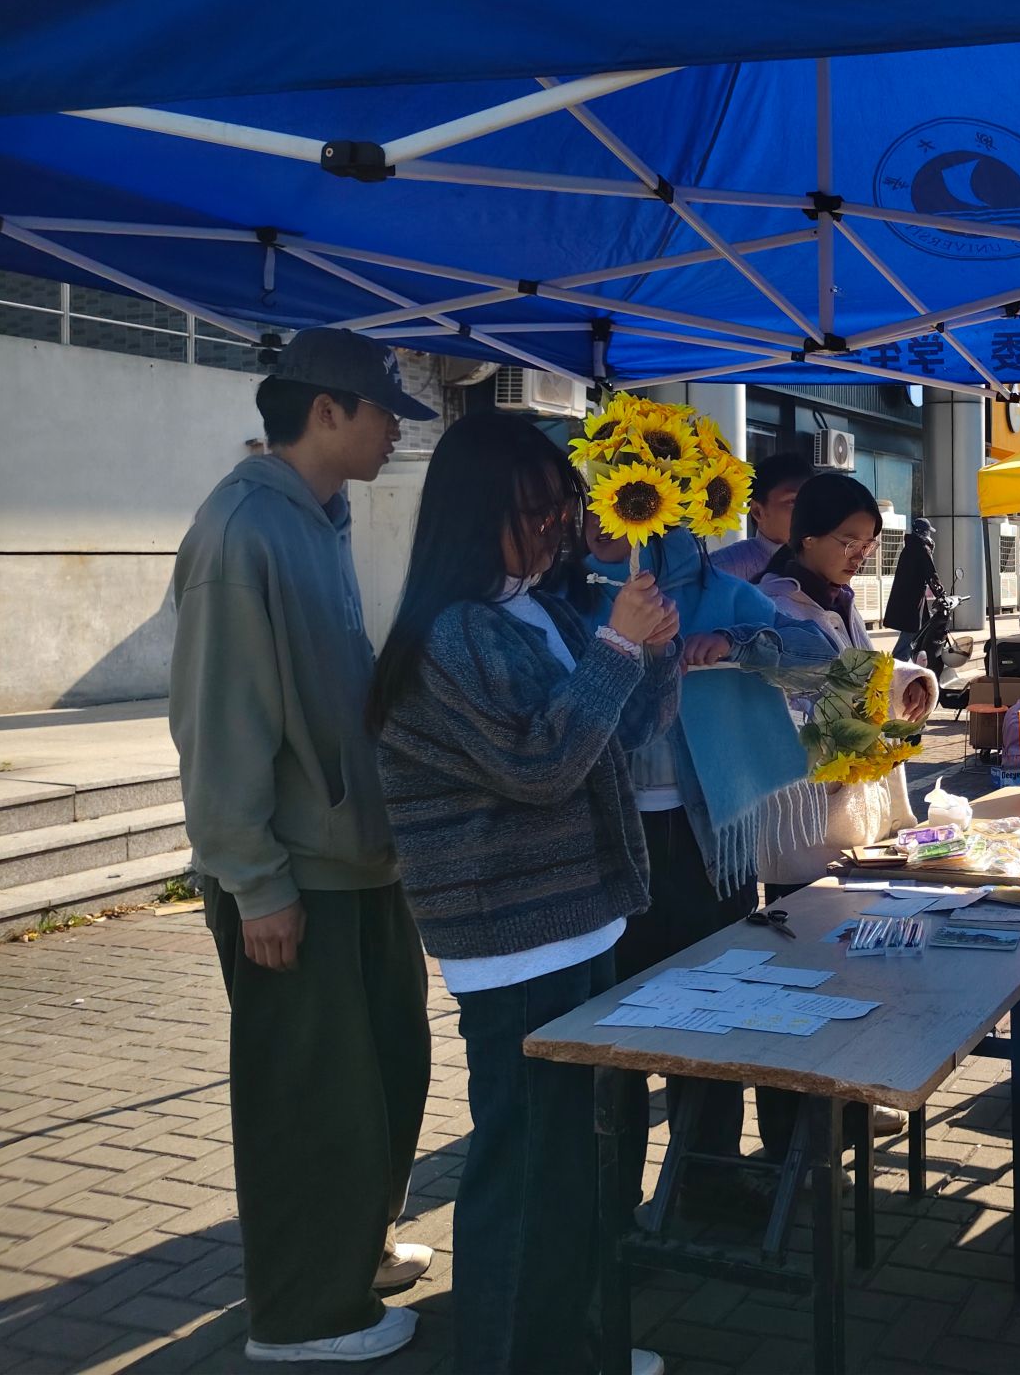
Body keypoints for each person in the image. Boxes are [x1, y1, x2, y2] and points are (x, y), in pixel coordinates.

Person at [369, 411, 681, 1375]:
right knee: (527, 1170)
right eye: (536, 514)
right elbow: (540, 765)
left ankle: (569, 1345)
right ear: (475, 514)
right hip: (512, 939)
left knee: (579, 1167)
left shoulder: (536, 610)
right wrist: (617, 650)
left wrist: (654, 648)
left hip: (580, 922)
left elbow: (618, 737)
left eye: (564, 510)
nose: (557, 532)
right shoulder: (452, 634)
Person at [169, 327, 436, 1365]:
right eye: (384, 414)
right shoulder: (241, 530)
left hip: (357, 859)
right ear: (328, 410)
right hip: (294, 876)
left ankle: (351, 1257)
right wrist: (255, 883)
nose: (395, 435)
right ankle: (303, 1315)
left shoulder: (317, 518)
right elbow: (220, 722)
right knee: (310, 1100)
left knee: (386, 1074)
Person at [565, 513, 837, 1215]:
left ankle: (707, 1181)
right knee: (611, 1029)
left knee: (715, 1010)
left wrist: (740, 643)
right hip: (605, 843)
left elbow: (819, 652)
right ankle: (610, 1198)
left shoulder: (719, 592)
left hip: (709, 844)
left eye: (627, 509)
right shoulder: (569, 593)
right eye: (592, 510)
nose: (602, 527)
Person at [754, 473, 937, 1147]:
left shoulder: (835, 599)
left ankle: (847, 1103)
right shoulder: (775, 606)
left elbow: (859, 674)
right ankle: (798, 1131)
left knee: (849, 974)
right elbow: (806, 703)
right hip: (803, 819)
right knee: (803, 981)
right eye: (848, 540)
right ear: (807, 537)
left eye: (868, 543)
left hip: (846, 812)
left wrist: (906, 684)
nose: (860, 554)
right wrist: (883, 695)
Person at [710, 449, 813, 583]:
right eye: (792, 501)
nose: (807, 510)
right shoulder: (722, 570)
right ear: (757, 511)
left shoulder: (826, 562)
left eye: (811, 501)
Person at [882, 514, 941, 659]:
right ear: (924, 532)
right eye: (928, 532)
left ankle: (914, 658)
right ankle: (898, 660)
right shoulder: (922, 548)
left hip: (907, 595)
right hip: (913, 598)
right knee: (911, 630)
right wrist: (941, 594)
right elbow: (931, 573)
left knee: (921, 627)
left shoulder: (910, 547)